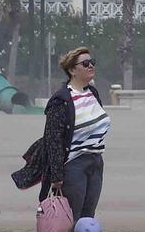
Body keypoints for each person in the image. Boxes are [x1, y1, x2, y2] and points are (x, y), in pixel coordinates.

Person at [40, 46, 108, 222]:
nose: (91, 66)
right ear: (72, 70)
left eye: (92, 62)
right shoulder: (60, 100)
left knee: (88, 219)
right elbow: (52, 139)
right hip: (73, 165)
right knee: (72, 218)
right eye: (85, 63)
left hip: (96, 162)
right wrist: (56, 175)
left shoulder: (92, 93)